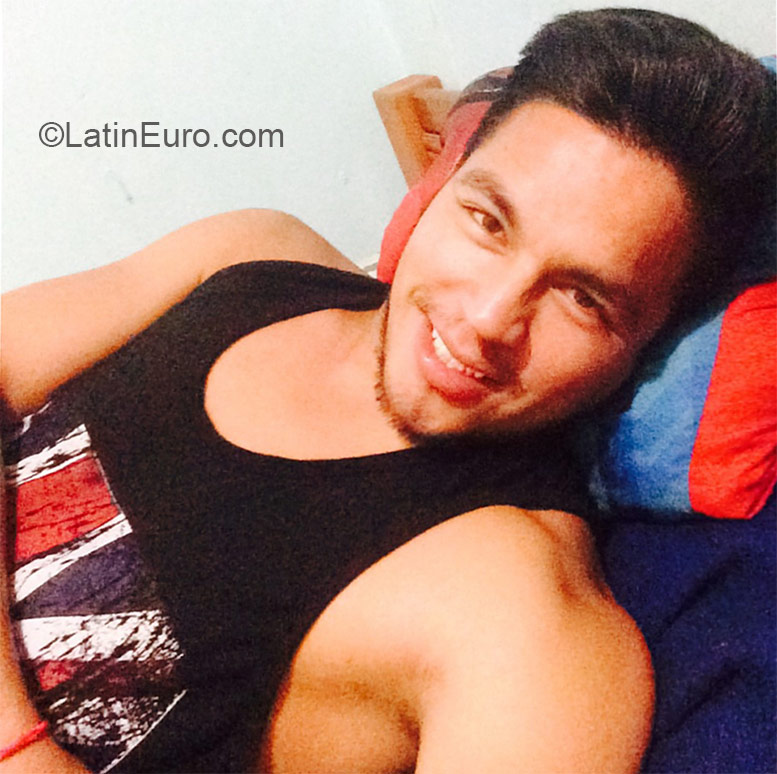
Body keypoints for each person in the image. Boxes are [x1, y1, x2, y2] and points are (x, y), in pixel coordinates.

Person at [1, 8, 774, 773]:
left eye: (582, 298)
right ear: (443, 179)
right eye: (486, 220)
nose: (486, 318)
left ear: (652, 340)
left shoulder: (517, 623)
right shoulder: (248, 256)